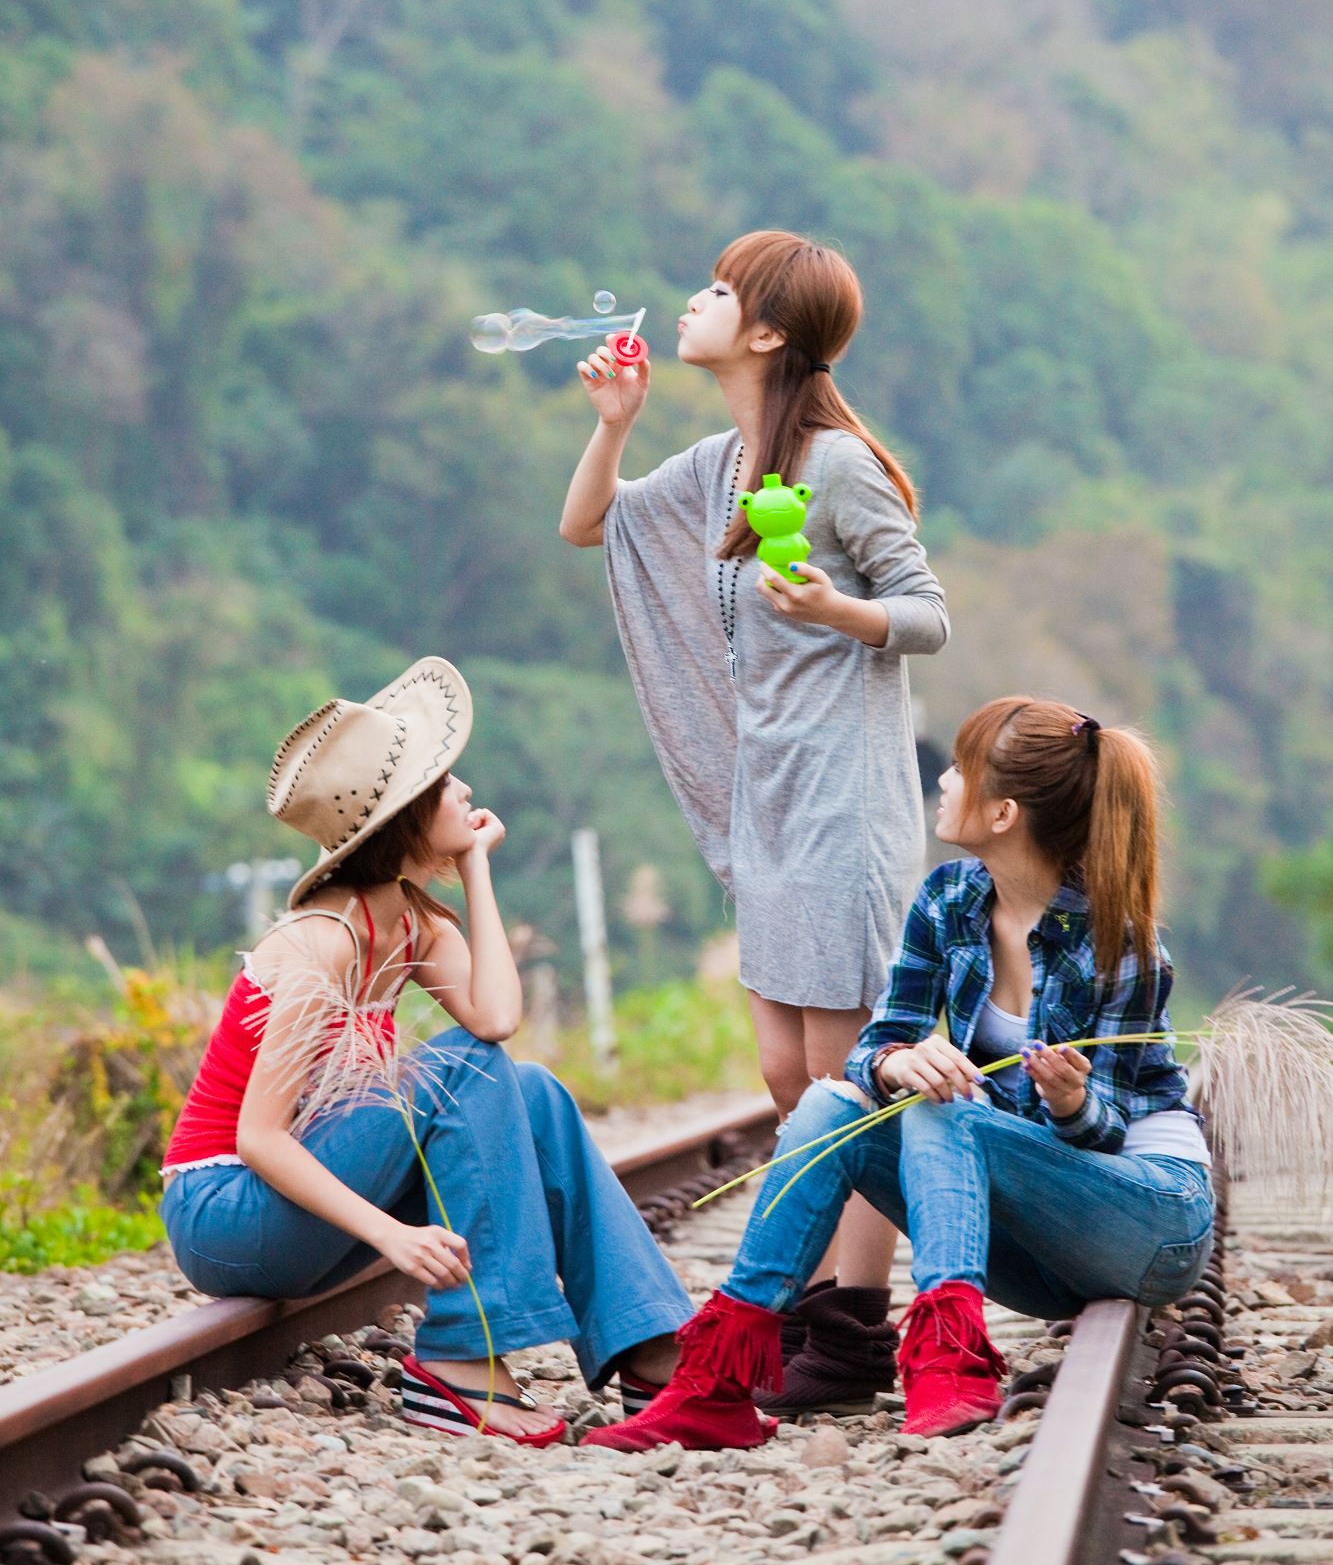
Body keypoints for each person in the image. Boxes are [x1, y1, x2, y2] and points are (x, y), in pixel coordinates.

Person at [584, 695, 1215, 1451]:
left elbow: (1105, 1133)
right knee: (828, 1106)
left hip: (1148, 1220)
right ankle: (712, 1386)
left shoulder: (1120, 945)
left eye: (960, 768)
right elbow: (877, 1040)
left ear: (1004, 812)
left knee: (944, 1110)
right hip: (1044, 1249)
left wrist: (1070, 1099)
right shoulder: (948, 900)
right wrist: (896, 1061)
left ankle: (948, 1360)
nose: (943, 781)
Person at [560, 229, 949, 1412]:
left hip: (844, 803)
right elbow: (591, 524)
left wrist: (838, 605)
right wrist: (615, 422)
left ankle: (845, 1331)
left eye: (718, 291)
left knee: (847, 1078)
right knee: (789, 1070)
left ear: (768, 332)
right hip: (768, 800)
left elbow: (926, 613)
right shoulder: (725, 462)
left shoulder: (834, 466)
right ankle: (819, 1305)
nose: (693, 299)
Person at [159, 657, 691, 1445]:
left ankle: (650, 1348)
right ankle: (461, 1360)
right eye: (446, 782)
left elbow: (495, 1018)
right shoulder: (320, 942)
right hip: (226, 1214)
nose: (467, 790)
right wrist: (391, 1236)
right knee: (464, 1070)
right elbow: (257, 1139)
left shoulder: (407, 923)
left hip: (296, 1202)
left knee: (532, 1087)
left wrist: (475, 867)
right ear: (405, 816)